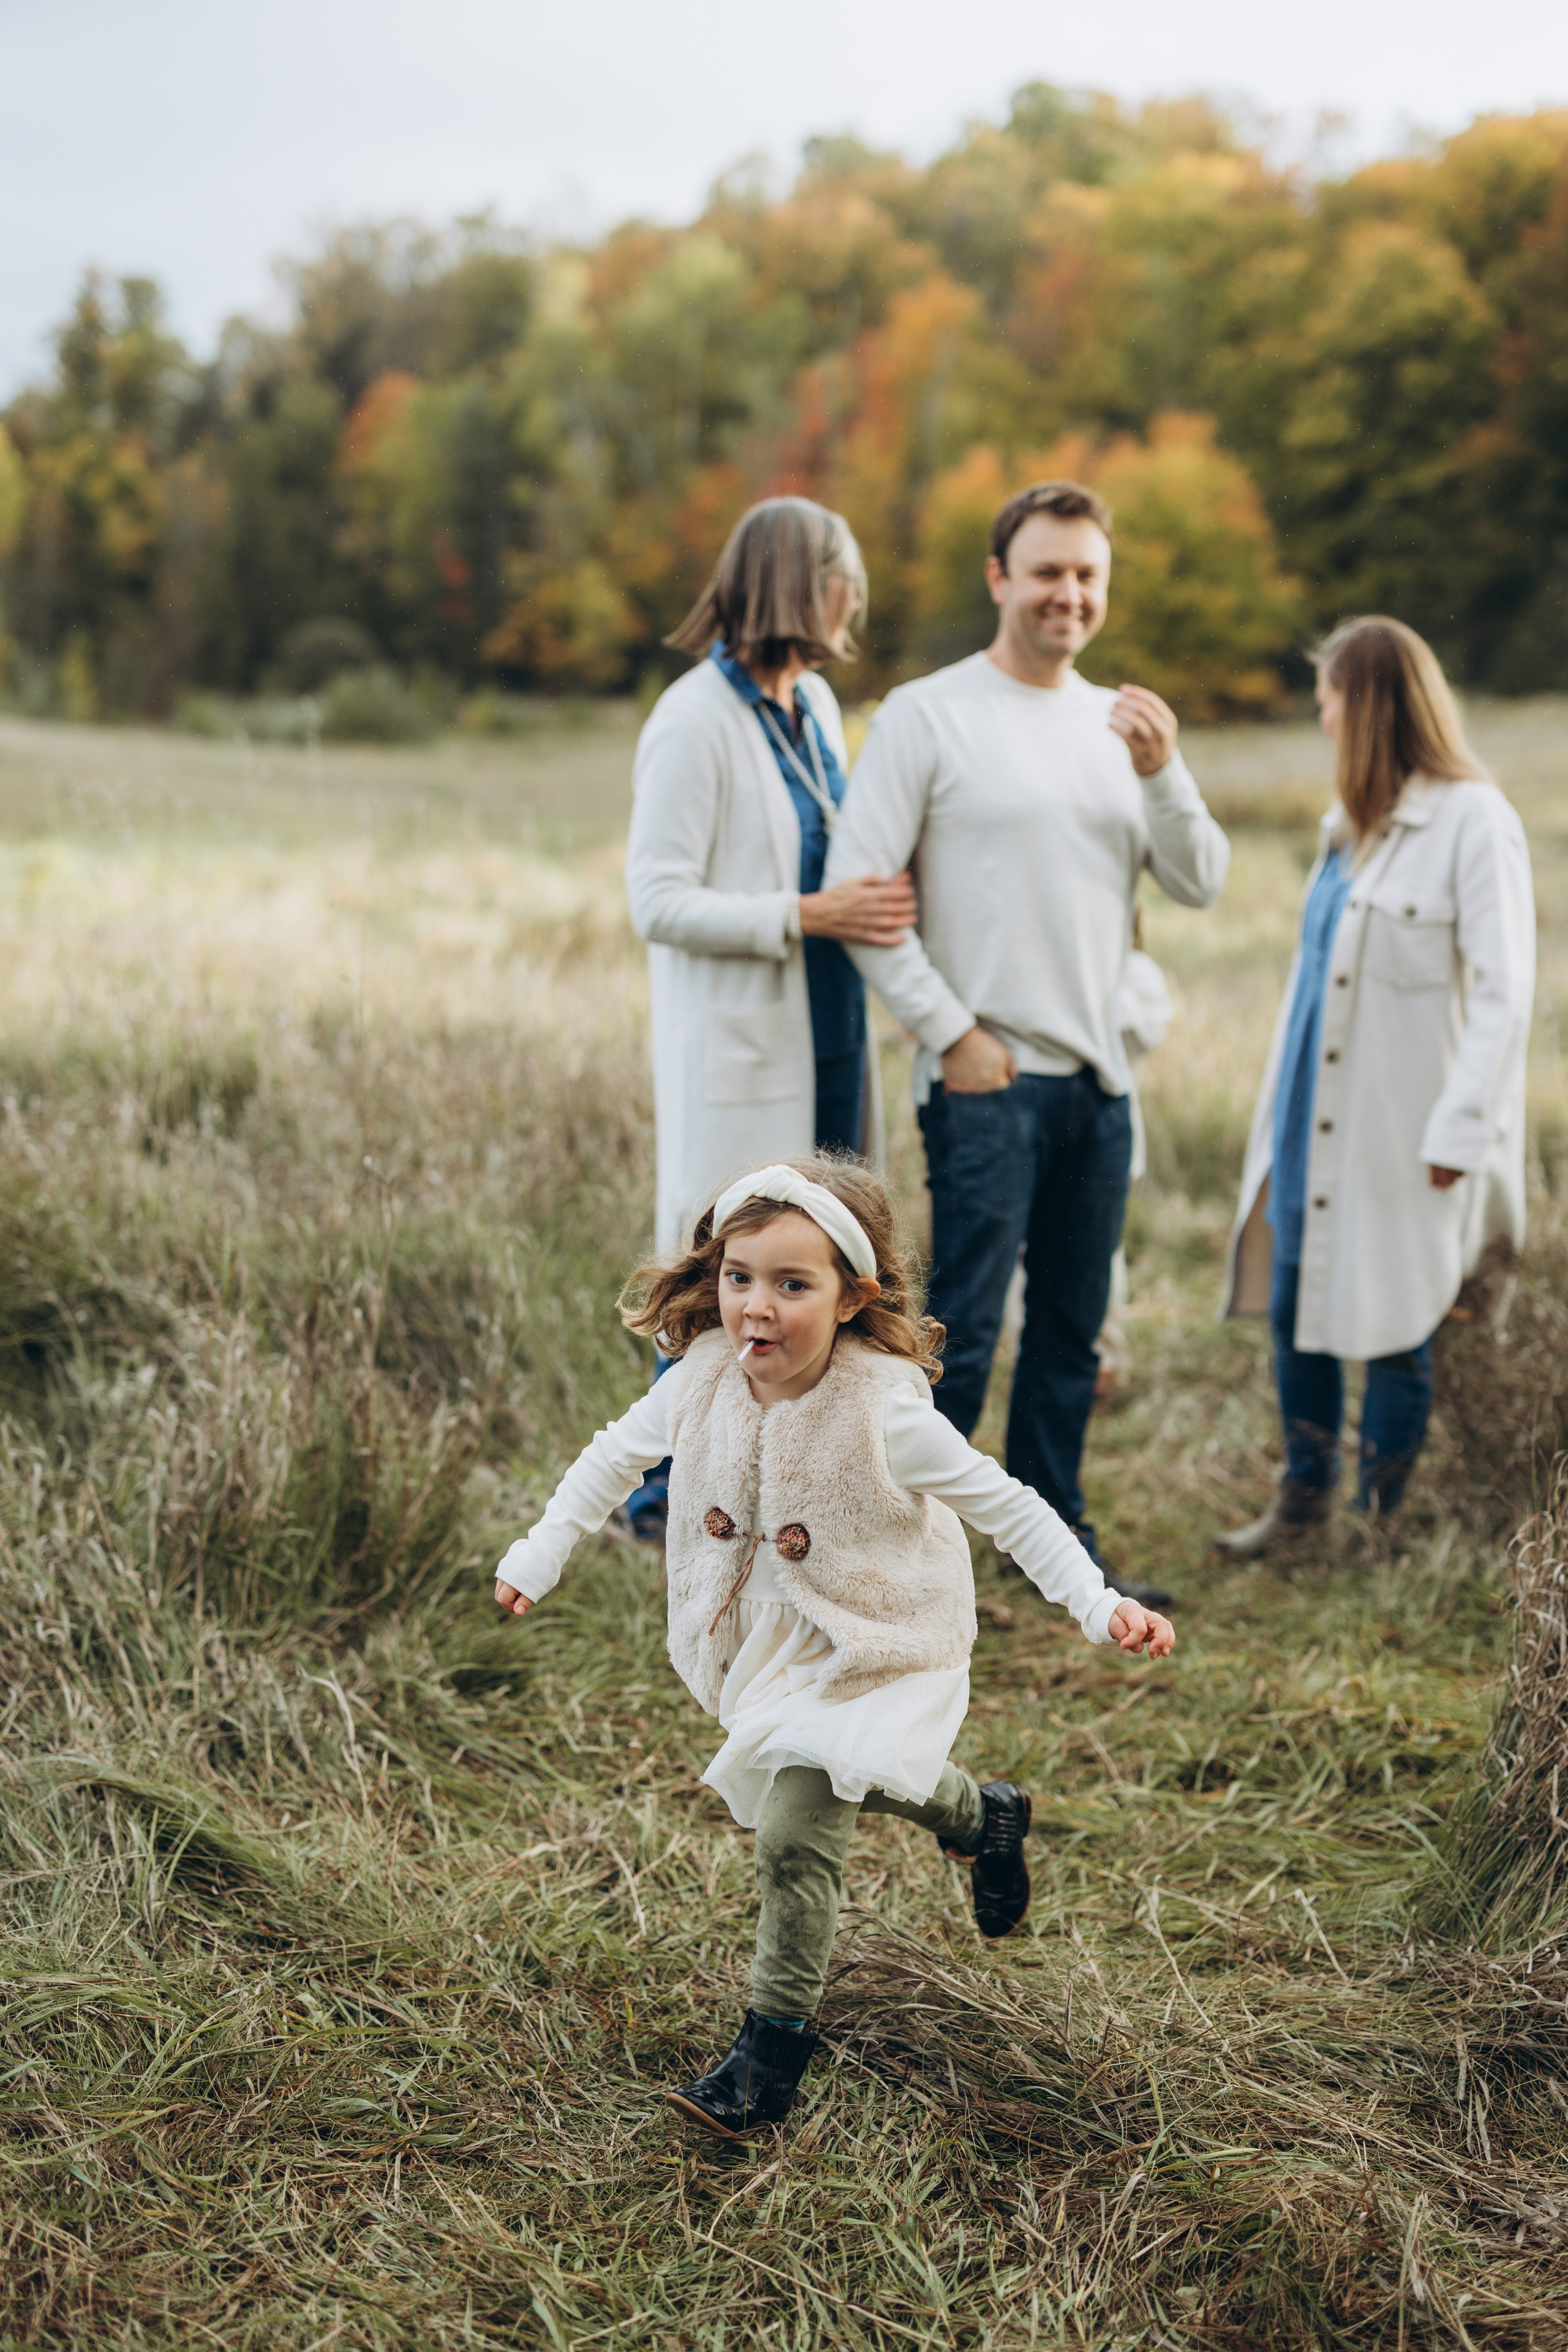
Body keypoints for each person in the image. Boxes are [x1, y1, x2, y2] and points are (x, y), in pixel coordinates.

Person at [493, 1157, 1174, 2137]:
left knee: (794, 1832)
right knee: (863, 1776)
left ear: (854, 1296)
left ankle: (768, 2057)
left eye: (792, 1284)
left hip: (880, 1642)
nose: (756, 1307)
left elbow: (1012, 1509)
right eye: (739, 1278)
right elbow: (613, 1459)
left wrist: (1098, 1605)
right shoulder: (699, 1381)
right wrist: (540, 1551)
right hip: (768, 1649)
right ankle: (984, 1815)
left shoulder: (885, 1412)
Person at [822, 479, 1229, 1604]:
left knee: (1070, 1330)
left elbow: (1200, 880)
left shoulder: (1121, 731)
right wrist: (952, 1035)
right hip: (985, 1084)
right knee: (958, 1329)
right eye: (1048, 571)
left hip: (1100, 1085)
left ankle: (1055, 1541)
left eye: (1088, 575)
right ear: (1000, 578)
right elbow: (857, 895)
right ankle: (903, 1555)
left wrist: (1165, 771)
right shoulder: (928, 714)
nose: (1069, 594)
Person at [619, 497, 916, 1540]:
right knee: (727, 1272)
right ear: (796, 584)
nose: (856, 601)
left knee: (817, 1257)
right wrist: (804, 915)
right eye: (844, 579)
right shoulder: (692, 719)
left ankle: (790, 1483)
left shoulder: (817, 707)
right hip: (744, 1045)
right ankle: (663, 1497)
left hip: (830, 1028)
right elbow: (656, 899)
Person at [1216, 616, 1536, 1554]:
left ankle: (1378, 1526)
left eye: (1328, 701)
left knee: (1398, 1319)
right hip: (1306, 1120)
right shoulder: (1346, 829)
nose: (1321, 719)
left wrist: (1459, 1131)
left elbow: (1507, 990)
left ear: (1365, 708)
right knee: (1294, 1309)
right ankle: (1302, 1504)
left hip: (1404, 1128)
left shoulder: (1473, 821)